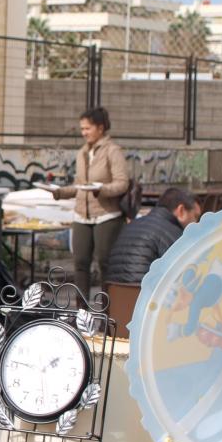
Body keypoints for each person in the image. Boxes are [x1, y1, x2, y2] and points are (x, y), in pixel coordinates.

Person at [50, 107, 130, 300]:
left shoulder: (113, 151)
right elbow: (80, 185)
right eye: (82, 129)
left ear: (100, 128)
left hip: (106, 214)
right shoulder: (82, 153)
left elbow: (122, 183)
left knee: (105, 262)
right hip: (82, 215)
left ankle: (108, 310)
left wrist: (101, 189)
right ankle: (81, 313)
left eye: (87, 128)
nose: (83, 133)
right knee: (80, 262)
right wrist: (59, 192)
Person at [105, 187, 202, 285]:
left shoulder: (130, 226)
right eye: (196, 216)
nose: (197, 223)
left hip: (115, 295)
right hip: (146, 297)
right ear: (181, 211)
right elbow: (187, 276)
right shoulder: (175, 235)